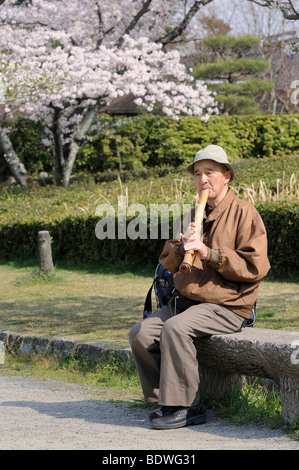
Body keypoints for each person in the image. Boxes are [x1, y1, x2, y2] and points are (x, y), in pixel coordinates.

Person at [129, 144, 270, 430]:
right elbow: (166, 263)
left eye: (209, 172)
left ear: (226, 175)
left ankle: (188, 406)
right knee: (141, 333)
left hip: (228, 304)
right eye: (197, 174)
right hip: (188, 301)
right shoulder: (195, 213)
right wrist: (182, 248)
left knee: (175, 329)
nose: (202, 180)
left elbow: (255, 267)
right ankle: (165, 399)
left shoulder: (245, 213)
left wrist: (209, 253)